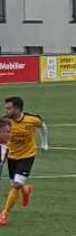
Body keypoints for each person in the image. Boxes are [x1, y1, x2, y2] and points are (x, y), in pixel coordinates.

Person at [1, 96, 48, 227]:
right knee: (16, 185)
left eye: (8, 108)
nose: (6, 110)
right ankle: (25, 190)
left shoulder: (32, 119)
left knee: (16, 185)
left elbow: (43, 126)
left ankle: (4, 214)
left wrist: (44, 143)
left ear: (17, 108)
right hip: (12, 156)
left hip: (27, 155)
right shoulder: (5, 121)